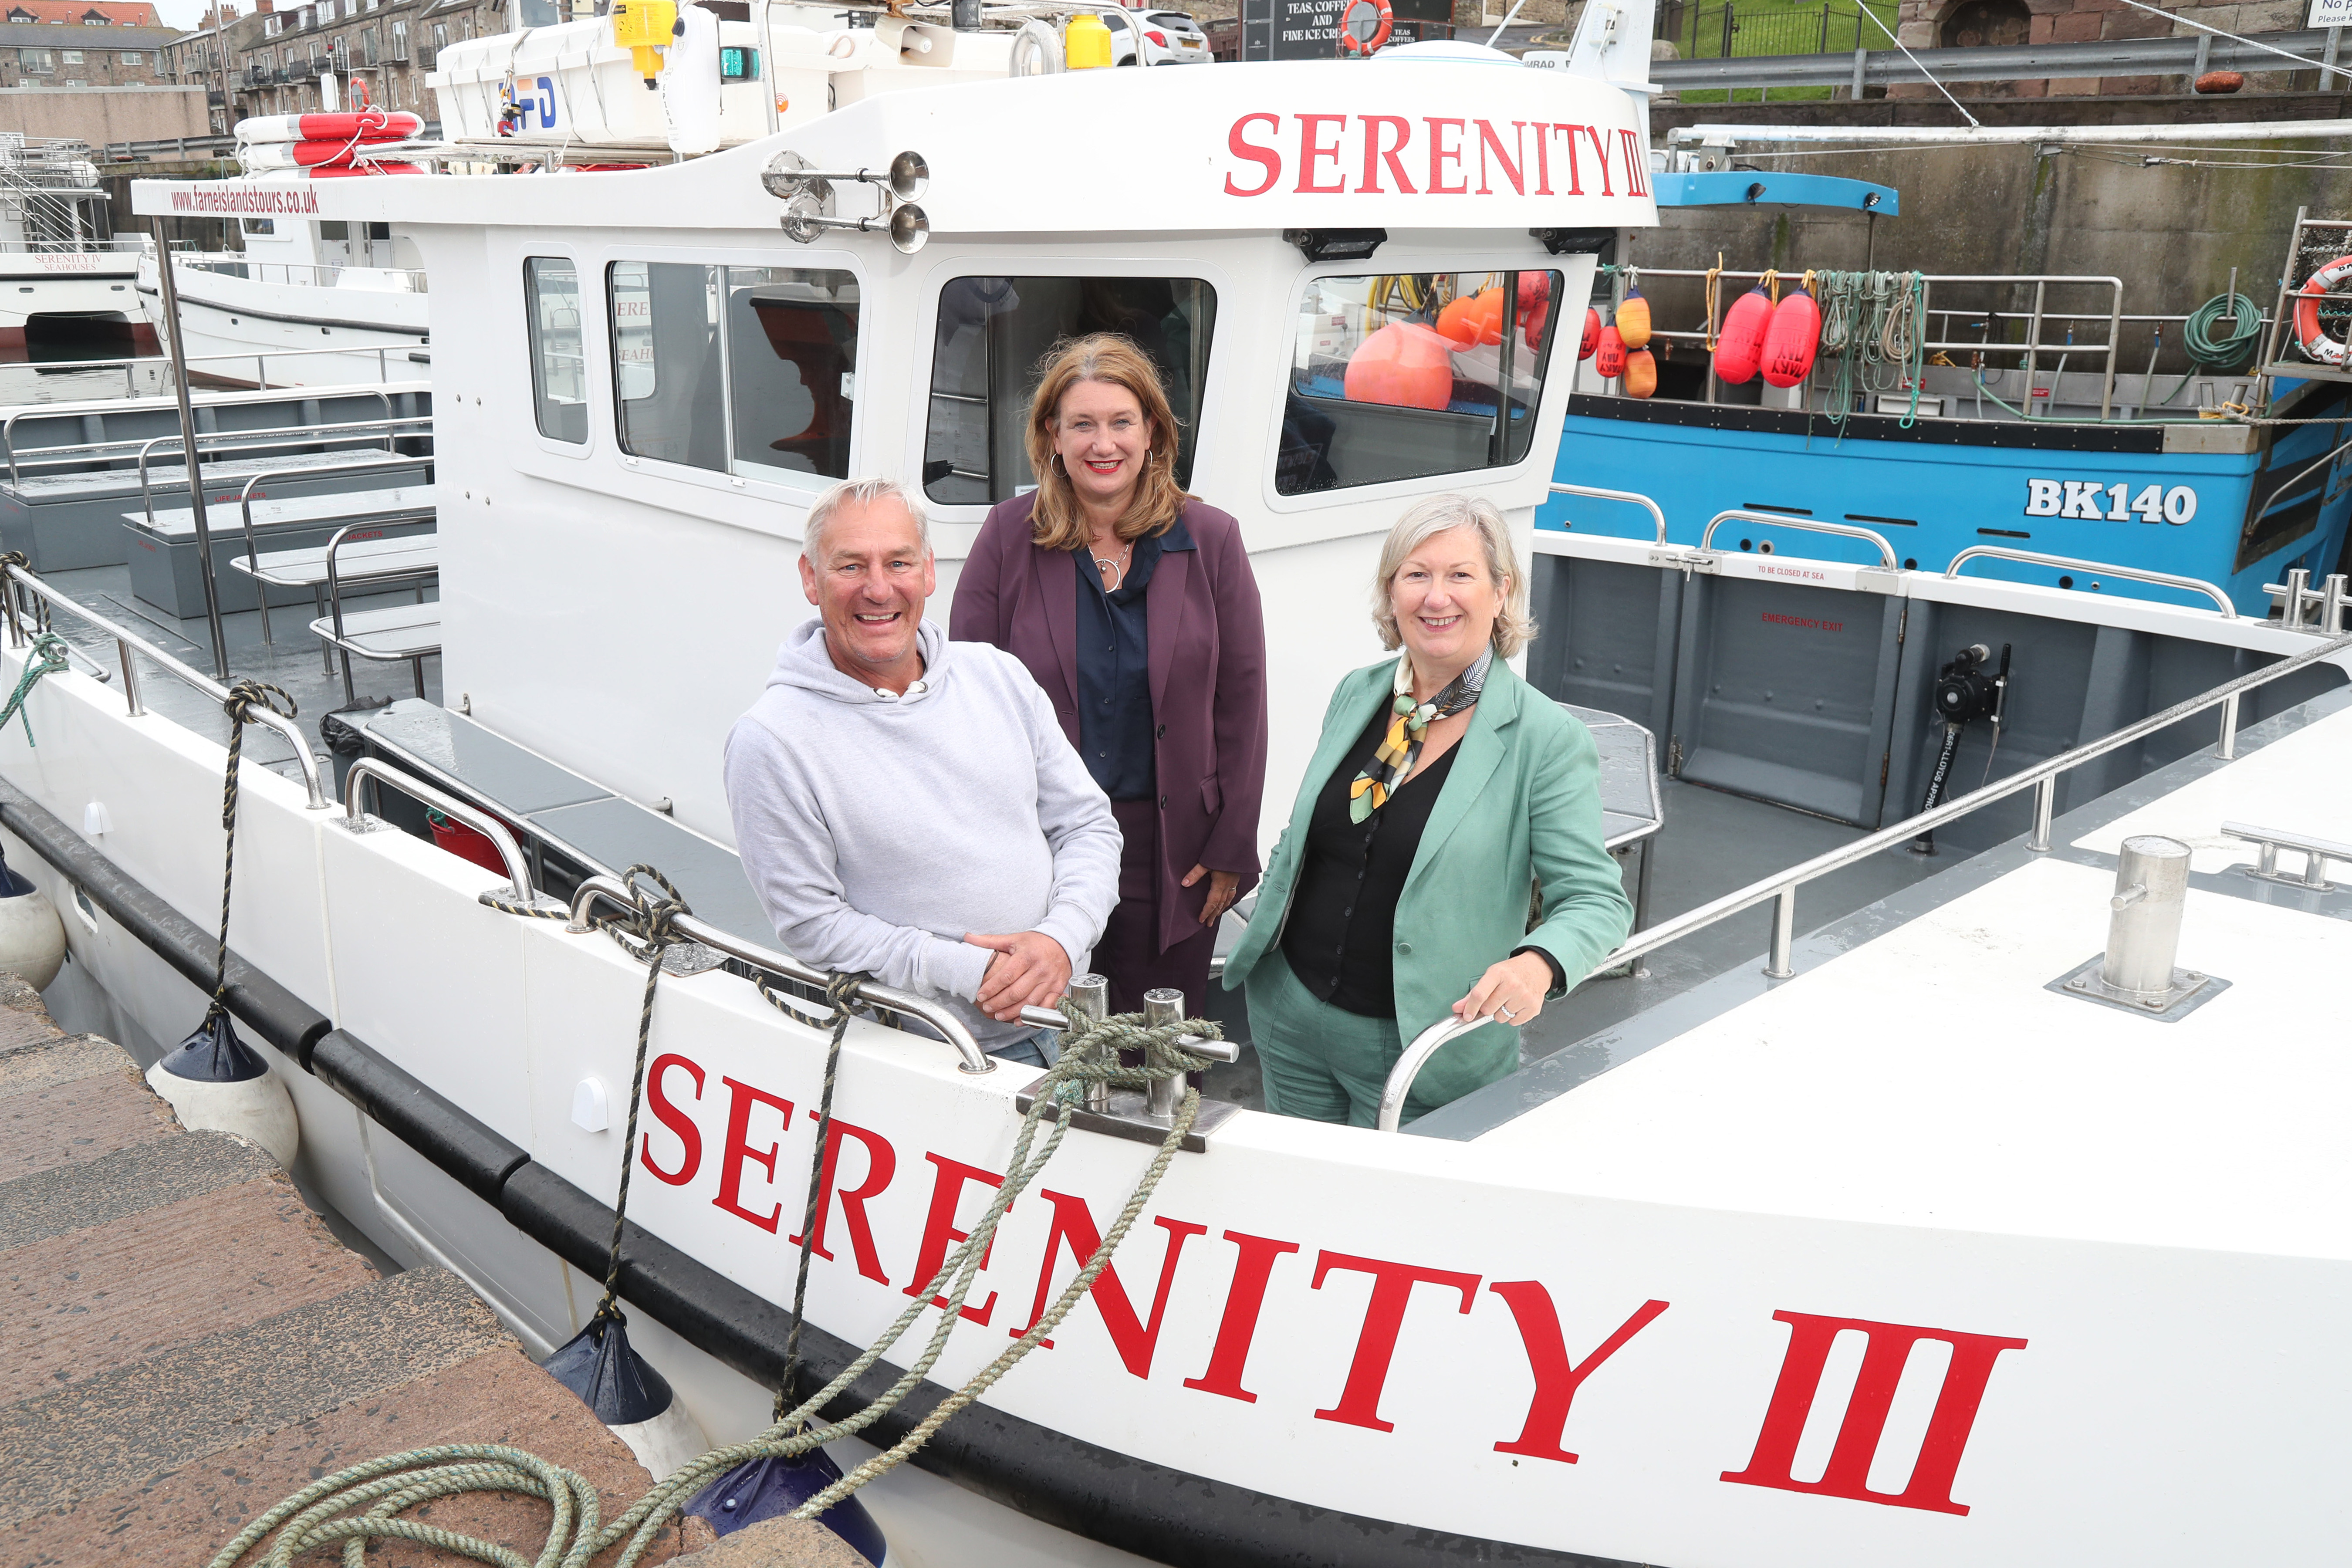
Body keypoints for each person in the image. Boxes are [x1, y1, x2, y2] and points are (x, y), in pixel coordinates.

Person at [1220, 493, 1633, 1126]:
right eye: (1416, 575)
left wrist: (1539, 964)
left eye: (1460, 575)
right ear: (1391, 594)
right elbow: (1311, 836)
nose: (1435, 597)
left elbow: (1597, 901)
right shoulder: (1360, 692)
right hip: (1290, 1017)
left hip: (1425, 1045)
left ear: (1501, 593)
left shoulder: (1545, 740)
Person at [725, 477, 1121, 1067]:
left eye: (899, 562)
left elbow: (1087, 827)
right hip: (918, 1056)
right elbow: (811, 923)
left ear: (929, 572)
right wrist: (971, 971)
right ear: (811, 578)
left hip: (1072, 1026)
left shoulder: (1000, 677)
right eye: (851, 566)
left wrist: (1061, 939)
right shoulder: (771, 741)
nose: (879, 588)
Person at [952, 334, 1267, 1017]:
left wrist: (1232, 845)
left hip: (1174, 851)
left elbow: (1242, 701)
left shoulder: (1212, 540)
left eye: (1122, 422)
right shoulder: (1007, 537)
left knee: (1159, 1051)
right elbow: (964, 700)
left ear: (1152, 431)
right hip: (1042, 844)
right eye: (1083, 424)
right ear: (1052, 437)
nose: (1104, 443)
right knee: (1049, 1040)